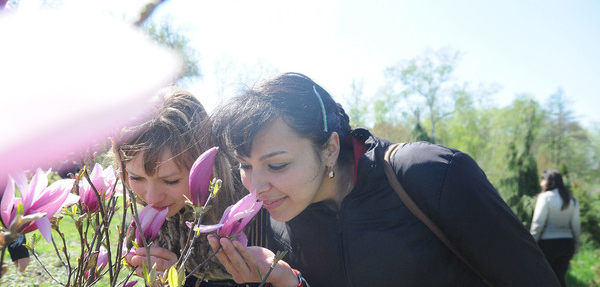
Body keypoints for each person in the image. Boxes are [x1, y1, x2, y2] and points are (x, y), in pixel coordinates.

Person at [208, 72, 560, 287]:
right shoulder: (282, 215)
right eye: (245, 165)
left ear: (329, 148)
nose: (255, 187)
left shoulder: (431, 174)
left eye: (278, 165)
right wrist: (287, 281)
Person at [115, 86, 249, 286]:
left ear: (207, 168)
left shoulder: (247, 208)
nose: (150, 198)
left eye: (171, 181)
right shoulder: (141, 223)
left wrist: (181, 279)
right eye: (136, 178)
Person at [530, 169, 581, 287]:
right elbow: (576, 226)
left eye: (543, 180)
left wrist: (532, 242)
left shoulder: (545, 197)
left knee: (544, 279)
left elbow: (538, 222)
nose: (541, 183)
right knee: (560, 278)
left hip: (548, 244)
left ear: (549, 182)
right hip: (566, 244)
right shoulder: (572, 199)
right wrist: (576, 246)